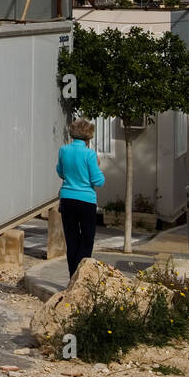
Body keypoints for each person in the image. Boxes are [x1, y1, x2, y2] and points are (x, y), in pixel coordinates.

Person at [58, 118, 105, 278]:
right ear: (88, 137)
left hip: (67, 199)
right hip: (86, 201)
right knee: (86, 239)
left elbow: (60, 172)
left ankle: (72, 275)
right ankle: (80, 276)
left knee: (71, 239)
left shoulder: (63, 151)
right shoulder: (90, 154)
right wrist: (98, 165)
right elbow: (98, 181)